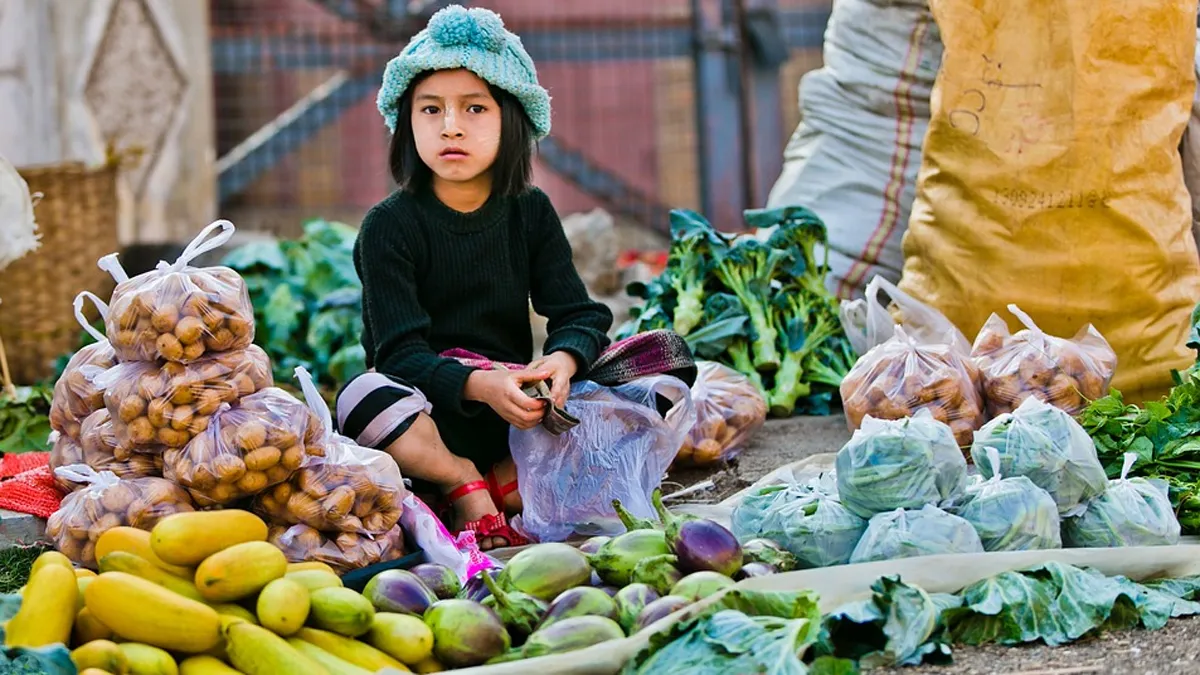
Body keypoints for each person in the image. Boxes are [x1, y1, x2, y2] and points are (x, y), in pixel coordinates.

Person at [335, 5, 615, 550]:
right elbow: (397, 356)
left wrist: (560, 362)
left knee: (640, 375)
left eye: (475, 108)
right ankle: (459, 479)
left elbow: (580, 315)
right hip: (425, 419)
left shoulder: (529, 211)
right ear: (406, 123)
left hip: (517, 413)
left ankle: (509, 478)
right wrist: (477, 385)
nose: (451, 126)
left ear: (511, 120)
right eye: (431, 109)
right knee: (360, 394)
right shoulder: (388, 227)